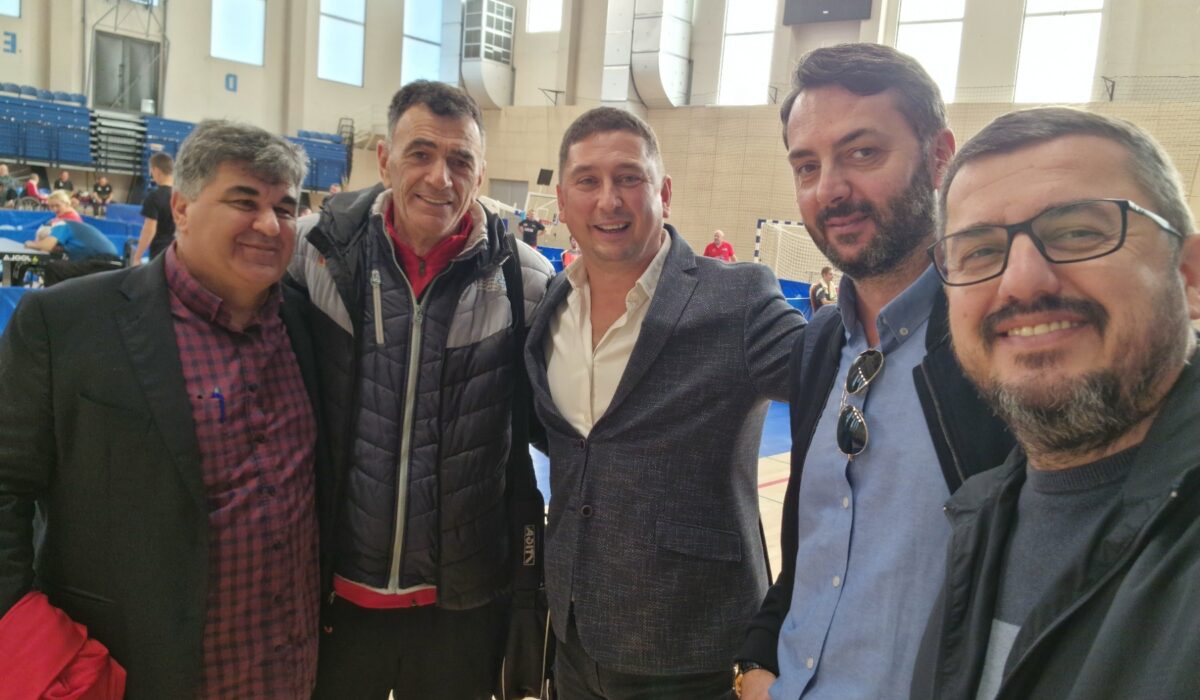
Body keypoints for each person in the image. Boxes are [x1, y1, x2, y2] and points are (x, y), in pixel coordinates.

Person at [0, 119, 329, 698]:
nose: (268, 224)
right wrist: (23, 632)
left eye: (284, 208)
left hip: (288, 671)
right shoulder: (66, 323)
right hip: (130, 670)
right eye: (244, 201)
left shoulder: (308, 326)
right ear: (182, 207)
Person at [736, 43, 1015, 700]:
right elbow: (810, 542)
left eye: (863, 153)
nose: (830, 189)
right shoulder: (820, 343)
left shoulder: (1004, 344)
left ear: (940, 157)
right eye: (807, 166)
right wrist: (754, 665)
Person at [911, 107, 1200, 699]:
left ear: (1190, 276)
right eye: (980, 251)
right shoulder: (980, 518)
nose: (1022, 282)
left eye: (1078, 233)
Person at [287, 80, 554, 700]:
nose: (441, 177)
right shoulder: (312, 252)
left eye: (460, 160)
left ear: (480, 173)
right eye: (421, 154)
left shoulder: (528, 281)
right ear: (385, 160)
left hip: (461, 608)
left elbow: (563, 423)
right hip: (334, 595)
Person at [526, 106, 805, 699]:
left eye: (629, 178)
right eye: (588, 180)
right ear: (563, 201)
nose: (609, 200)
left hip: (693, 650)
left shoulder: (738, 300)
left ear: (665, 193)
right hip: (573, 638)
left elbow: (836, 377)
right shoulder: (550, 304)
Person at [133, 152, 176, 263]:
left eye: (151, 171)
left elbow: (149, 229)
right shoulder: (184, 195)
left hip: (160, 255)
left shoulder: (154, 197)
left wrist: (137, 256)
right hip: (179, 253)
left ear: (156, 171)